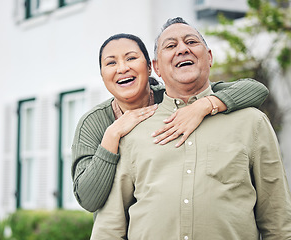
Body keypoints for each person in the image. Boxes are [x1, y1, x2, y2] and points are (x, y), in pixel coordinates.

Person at [90, 17, 291, 239]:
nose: (183, 49)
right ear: (156, 67)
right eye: (170, 46)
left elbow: (278, 220)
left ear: (210, 57)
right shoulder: (133, 130)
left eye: (192, 42)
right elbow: (109, 227)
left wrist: (207, 105)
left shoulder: (252, 123)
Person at [72, 33, 269, 213]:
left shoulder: (172, 96)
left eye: (131, 58)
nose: (123, 68)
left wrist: (202, 106)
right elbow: (88, 200)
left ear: (150, 67)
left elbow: (255, 89)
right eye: (111, 63)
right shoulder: (93, 122)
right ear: (102, 74)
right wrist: (112, 135)